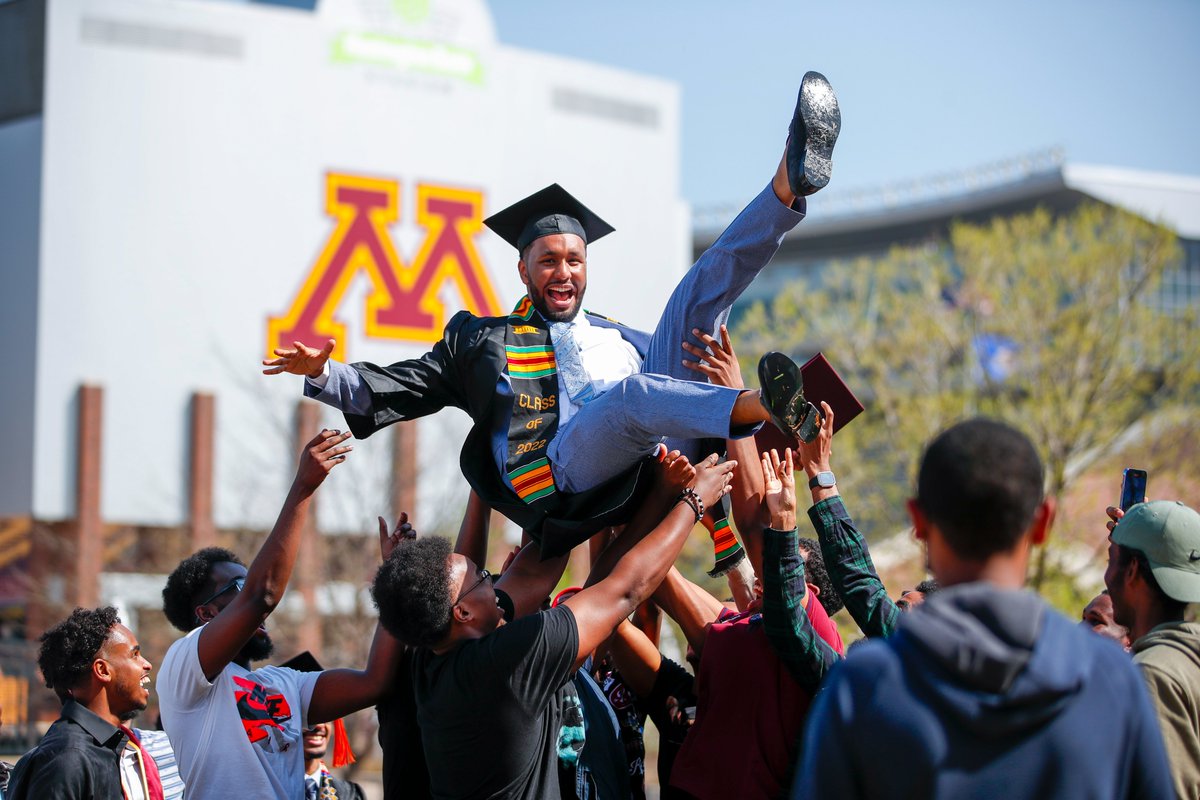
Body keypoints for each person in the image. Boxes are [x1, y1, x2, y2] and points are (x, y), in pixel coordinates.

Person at [264, 72, 841, 556]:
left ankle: (787, 185)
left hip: (660, 447)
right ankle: (763, 407)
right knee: (634, 396)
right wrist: (323, 373)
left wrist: (715, 365)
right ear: (524, 271)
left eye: (573, 260)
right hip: (571, 469)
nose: (563, 272)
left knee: (692, 298)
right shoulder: (482, 342)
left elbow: (674, 369)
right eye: (547, 261)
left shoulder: (615, 336)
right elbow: (403, 386)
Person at [796, 418, 1173, 799]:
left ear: (919, 523)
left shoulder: (864, 686)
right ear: (1042, 523)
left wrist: (820, 476)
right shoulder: (1110, 680)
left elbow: (863, 588)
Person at [371, 449, 735, 799]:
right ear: (463, 614)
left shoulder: (434, 656)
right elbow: (622, 591)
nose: (494, 579)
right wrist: (692, 503)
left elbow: (539, 567)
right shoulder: (504, 665)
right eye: (482, 578)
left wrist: (648, 493)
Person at [157, 429, 402, 800]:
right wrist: (303, 487)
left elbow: (375, 682)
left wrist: (394, 577)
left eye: (246, 582)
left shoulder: (286, 684)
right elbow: (262, 594)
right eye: (236, 589)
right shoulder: (185, 666)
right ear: (206, 613)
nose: (248, 595)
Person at [8, 607, 159, 800]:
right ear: (102, 670)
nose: (146, 664)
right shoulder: (67, 757)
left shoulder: (113, 748)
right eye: (134, 655)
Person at [1105, 500, 1200, 798]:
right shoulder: (1187, 659)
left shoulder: (1152, 674)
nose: (1106, 576)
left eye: (1110, 560)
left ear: (1131, 570)